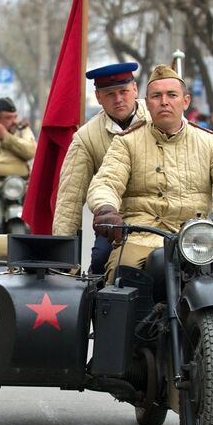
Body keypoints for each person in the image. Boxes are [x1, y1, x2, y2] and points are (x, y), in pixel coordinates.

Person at [87, 64, 213, 283]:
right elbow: (106, 182)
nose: (164, 101)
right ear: (147, 103)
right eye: (156, 96)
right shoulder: (126, 142)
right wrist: (106, 209)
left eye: (171, 95)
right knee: (122, 273)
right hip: (142, 238)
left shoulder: (209, 142)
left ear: (185, 101)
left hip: (199, 238)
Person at [53, 62, 148, 274]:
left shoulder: (159, 120)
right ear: (98, 97)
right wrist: (61, 256)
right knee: (99, 265)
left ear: (135, 89)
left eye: (123, 91)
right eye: (109, 94)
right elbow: (70, 197)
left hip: (162, 216)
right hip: (114, 222)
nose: (118, 99)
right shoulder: (86, 138)